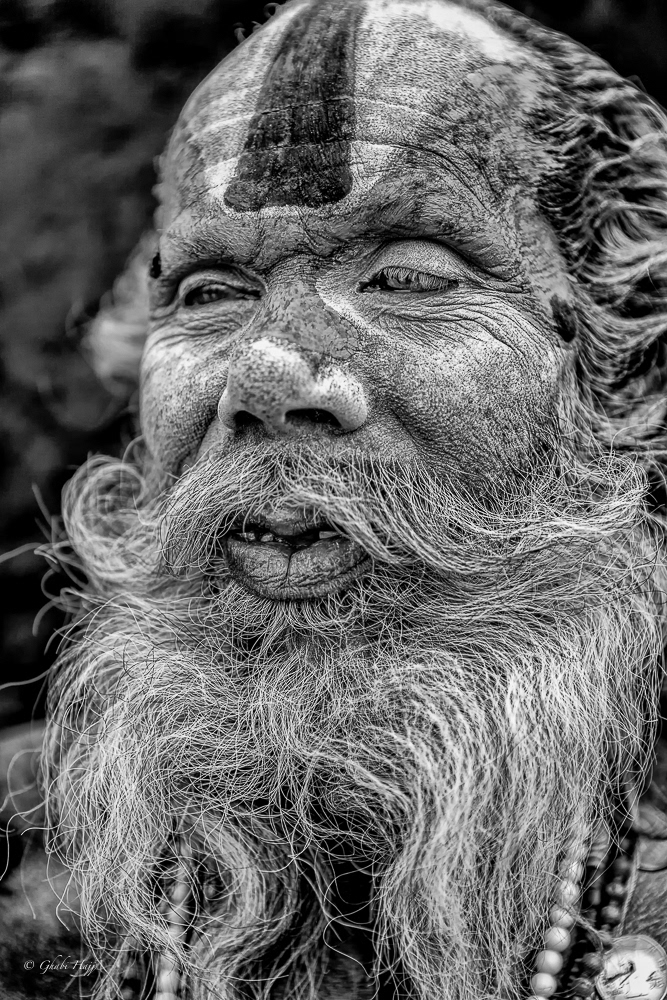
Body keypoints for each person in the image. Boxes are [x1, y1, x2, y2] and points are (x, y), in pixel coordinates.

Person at [7, 0, 667, 997]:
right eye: (212, 289)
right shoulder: (22, 850)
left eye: (408, 276)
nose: (267, 373)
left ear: (621, 374)